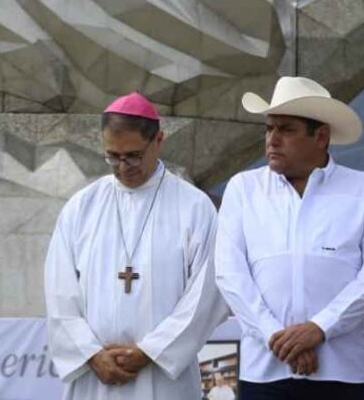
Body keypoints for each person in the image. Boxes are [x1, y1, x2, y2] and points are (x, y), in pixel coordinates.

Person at [215, 76, 364, 399]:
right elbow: (230, 275)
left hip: (341, 373)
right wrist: (277, 337)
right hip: (263, 372)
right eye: (269, 128)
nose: (272, 139)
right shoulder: (243, 189)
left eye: (286, 129)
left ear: (321, 136)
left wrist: (320, 328)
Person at [44, 92, 228, 398]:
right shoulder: (82, 206)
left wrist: (152, 351)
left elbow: (206, 293)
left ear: (158, 140)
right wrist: (91, 353)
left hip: (162, 376)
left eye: (133, 155)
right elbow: (58, 290)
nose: (123, 166)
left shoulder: (194, 206)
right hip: (95, 376)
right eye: (112, 156)